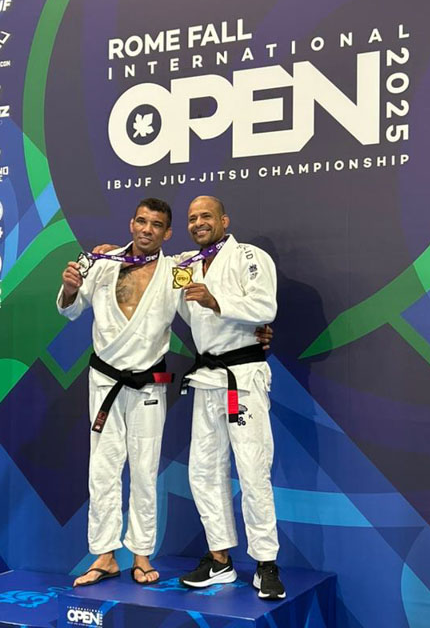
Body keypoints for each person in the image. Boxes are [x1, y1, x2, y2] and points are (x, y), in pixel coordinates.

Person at [58, 198, 179, 587]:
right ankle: (104, 555)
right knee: (103, 468)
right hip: (105, 381)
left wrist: (254, 334)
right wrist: (69, 289)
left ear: (167, 233)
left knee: (145, 468)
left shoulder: (175, 271)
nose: (147, 229)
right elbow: (70, 309)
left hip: (147, 384)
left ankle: (141, 554)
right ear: (131, 224)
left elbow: (201, 313)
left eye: (156, 225)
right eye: (142, 221)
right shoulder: (102, 262)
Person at [176, 195, 286, 600]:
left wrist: (216, 300)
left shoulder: (249, 257)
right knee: (203, 470)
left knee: (253, 468)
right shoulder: (185, 265)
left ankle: (266, 563)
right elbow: (146, 267)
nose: (198, 223)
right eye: (192, 218)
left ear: (224, 220)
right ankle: (219, 559)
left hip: (242, 378)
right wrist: (109, 253)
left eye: (206, 216)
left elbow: (265, 306)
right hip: (206, 378)